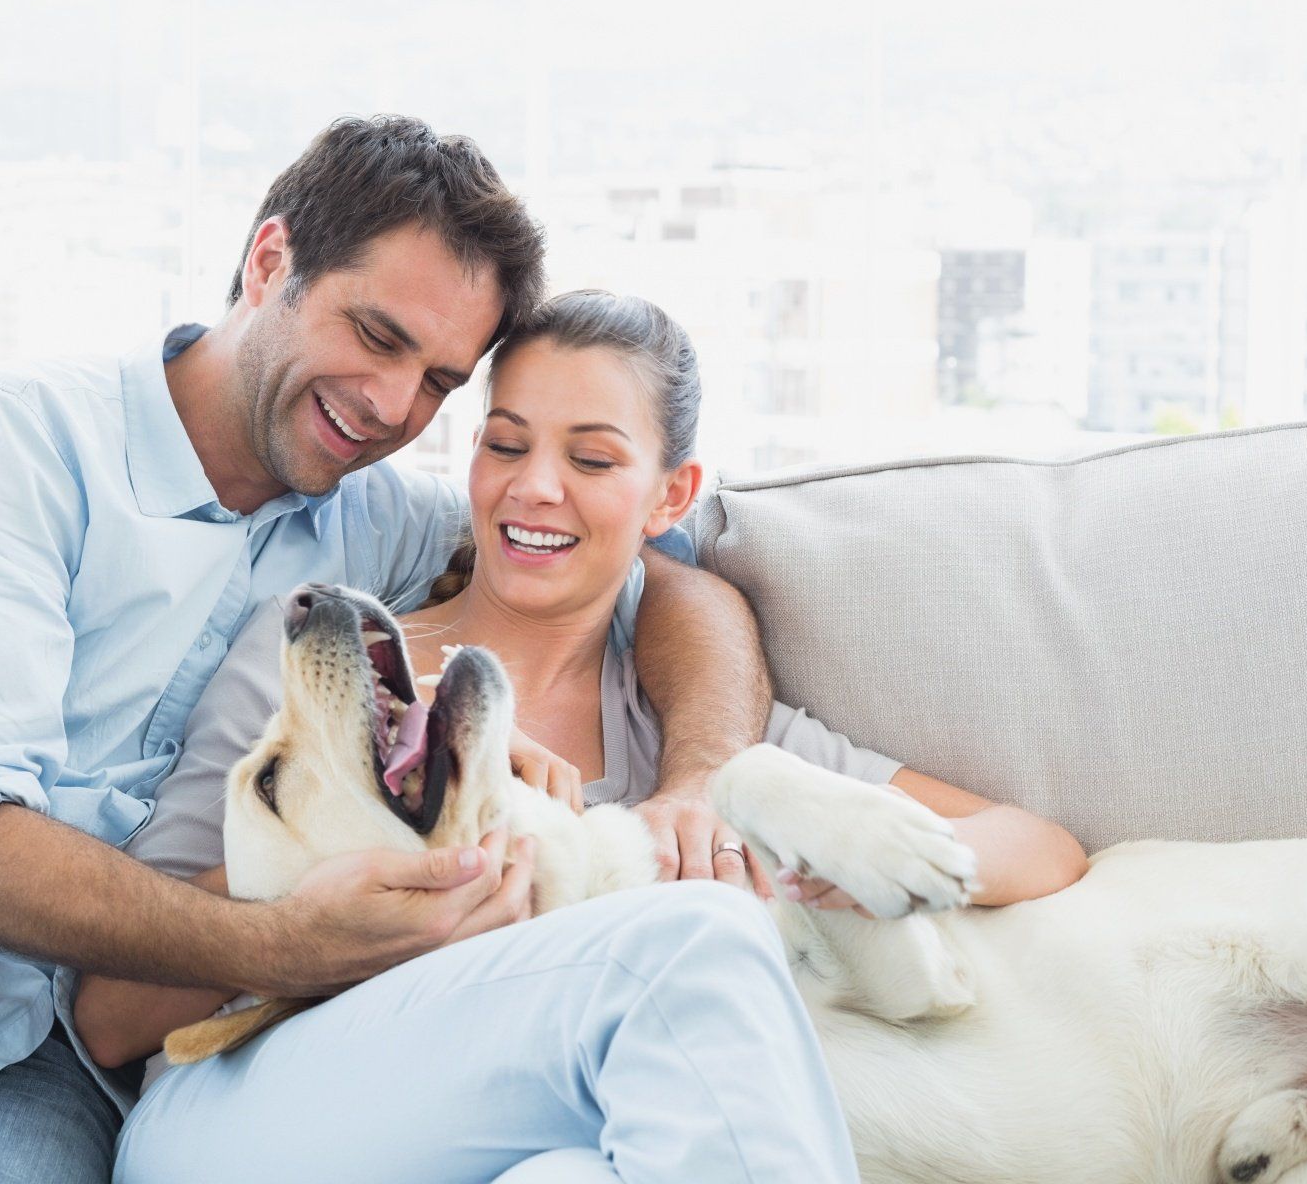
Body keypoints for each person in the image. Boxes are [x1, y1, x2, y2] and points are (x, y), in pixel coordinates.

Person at [0, 121, 773, 1184]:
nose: (397, 409)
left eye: (440, 378)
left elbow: (656, 572)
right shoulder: (7, 442)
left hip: (44, 1053)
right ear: (268, 260)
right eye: (377, 336)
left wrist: (700, 774)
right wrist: (287, 938)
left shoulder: (374, 516)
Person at [77, 289, 1091, 1183]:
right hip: (241, 1111)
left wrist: (844, 865)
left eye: (593, 457)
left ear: (671, 498)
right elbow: (114, 1010)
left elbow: (1041, 846)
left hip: (521, 1126)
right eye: (506, 442)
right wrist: (323, 908)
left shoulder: (699, 741)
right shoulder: (328, 663)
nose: (535, 487)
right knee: (693, 942)